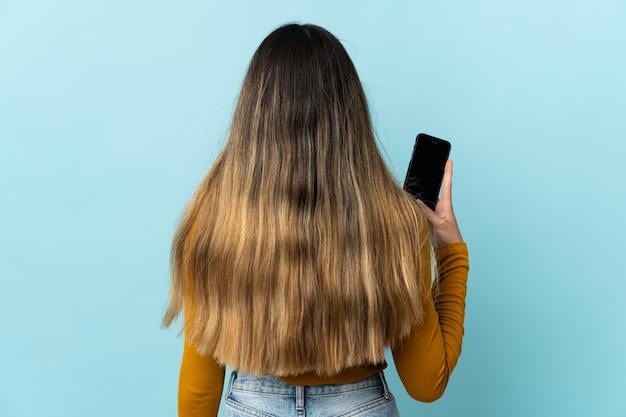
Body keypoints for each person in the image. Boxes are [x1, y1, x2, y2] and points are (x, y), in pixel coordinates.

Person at [162, 23, 469, 417]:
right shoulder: (396, 223)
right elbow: (426, 385)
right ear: (351, 113)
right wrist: (452, 254)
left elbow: (198, 392)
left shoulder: (212, 219)